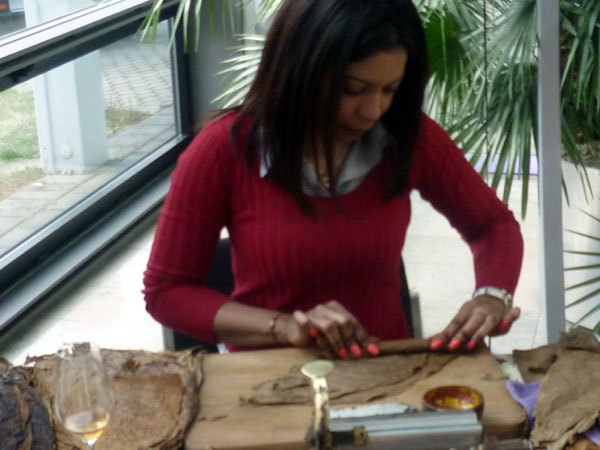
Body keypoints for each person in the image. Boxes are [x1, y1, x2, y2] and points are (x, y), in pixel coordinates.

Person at [143, 0, 523, 358]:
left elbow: (493, 225)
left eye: (390, 90)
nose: (373, 110)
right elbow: (166, 292)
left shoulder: (406, 137)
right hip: (269, 380)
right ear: (299, 70)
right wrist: (283, 326)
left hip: (385, 368)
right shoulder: (223, 150)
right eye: (352, 89)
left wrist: (492, 295)